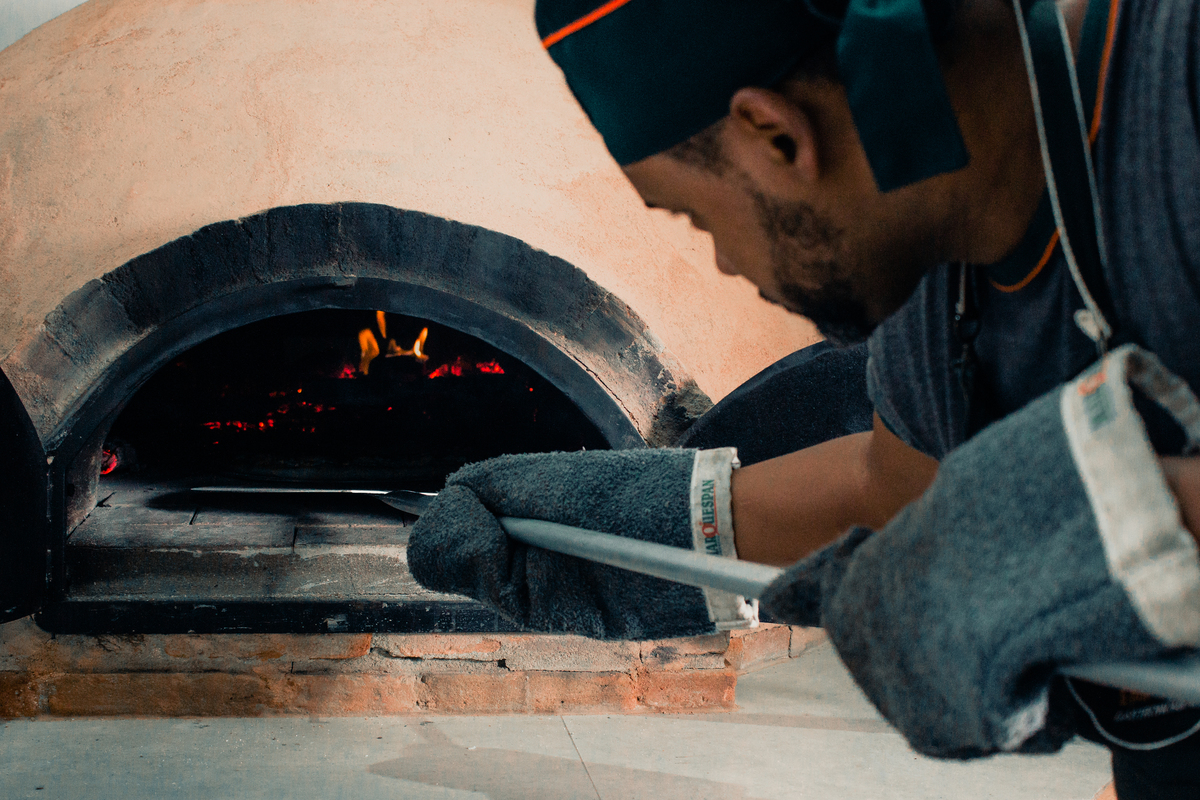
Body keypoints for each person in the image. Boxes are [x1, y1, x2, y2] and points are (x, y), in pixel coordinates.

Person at [409, 0, 1200, 795]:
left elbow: (1024, 528)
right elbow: (892, 490)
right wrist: (603, 530)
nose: (720, 260)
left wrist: (1097, 524)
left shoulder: (1178, 75)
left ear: (775, 134)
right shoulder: (932, 276)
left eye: (691, 214)